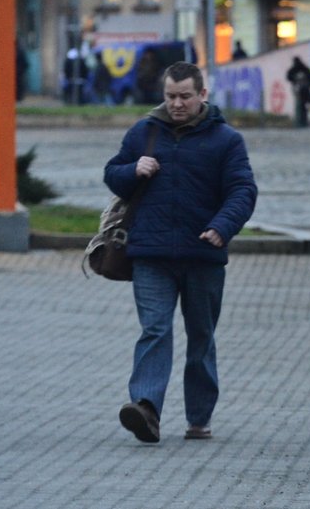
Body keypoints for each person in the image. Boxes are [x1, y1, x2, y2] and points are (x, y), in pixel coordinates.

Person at [104, 61, 258, 444]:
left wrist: (222, 228)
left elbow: (243, 191)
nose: (176, 104)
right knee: (154, 330)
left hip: (203, 254)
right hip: (151, 254)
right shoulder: (144, 132)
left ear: (202, 95)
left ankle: (198, 417)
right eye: (170, 96)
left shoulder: (226, 140)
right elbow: (113, 173)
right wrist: (132, 170)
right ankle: (146, 408)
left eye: (184, 96)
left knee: (201, 337)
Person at [286, 56, 310, 128]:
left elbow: (289, 77)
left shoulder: (295, 69)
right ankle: (302, 122)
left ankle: (301, 122)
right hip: (302, 90)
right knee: (302, 107)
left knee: (300, 106)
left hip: (300, 90)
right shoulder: (304, 69)